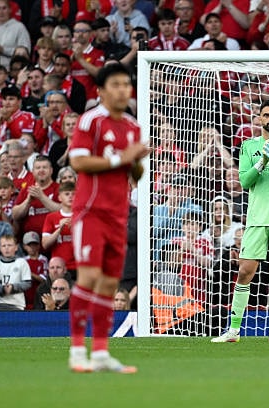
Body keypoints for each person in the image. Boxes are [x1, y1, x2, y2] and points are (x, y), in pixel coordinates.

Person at [68, 63, 150, 373]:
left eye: (126, 84)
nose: (122, 90)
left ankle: (101, 354)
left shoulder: (133, 126)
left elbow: (134, 174)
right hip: (91, 211)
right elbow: (78, 162)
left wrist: (137, 161)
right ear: (101, 91)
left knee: (108, 284)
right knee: (89, 278)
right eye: (115, 84)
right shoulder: (91, 121)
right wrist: (121, 158)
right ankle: (78, 351)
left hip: (118, 214)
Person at [212, 99, 269, 344]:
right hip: (256, 219)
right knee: (245, 271)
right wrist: (262, 161)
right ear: (259, 118)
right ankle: (233, 331)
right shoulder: (248, 146)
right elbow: (245, 181)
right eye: (266, 115)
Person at [0, 234, 31, 310]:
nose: (6, 248)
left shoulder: (22, 262)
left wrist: (13, 288)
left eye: (9, 245)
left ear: (16, 247)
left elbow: (27, 283)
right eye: (3, 246)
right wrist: (2, 289)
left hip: (16, 304)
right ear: (0, 248)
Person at [42, 181, 75, 278]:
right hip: (59, 267)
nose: (71, 197)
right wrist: (59, 229)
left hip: (79, 267)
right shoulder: (51, 217)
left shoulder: (83, 217)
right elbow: (45, 244)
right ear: (60, 197)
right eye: (67, 194)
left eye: (74, 194)